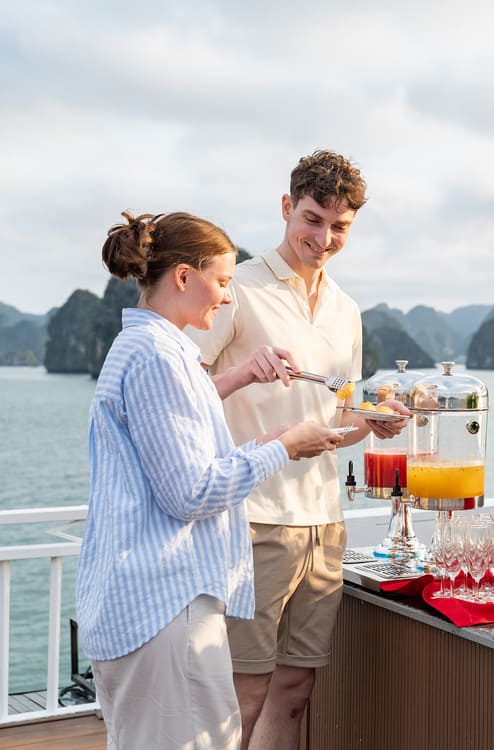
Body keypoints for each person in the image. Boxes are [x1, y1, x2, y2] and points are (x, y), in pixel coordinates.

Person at [76, 211, 348, 749]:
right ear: (184, 277)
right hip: (164, 606)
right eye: (222, 281)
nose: (227, 296)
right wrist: (284, 447)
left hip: (152, 604)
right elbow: (192, 492)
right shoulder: (157, 357)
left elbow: (182, 441)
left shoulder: (151, 349)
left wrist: (257, 412)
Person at [186, 150, 409, 750]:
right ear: (287, 207)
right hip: (250, 518)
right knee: (243, 692)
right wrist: (243, 377)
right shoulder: (237, 289)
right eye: (313, 219)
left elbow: (340, 417)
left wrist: (374, 422)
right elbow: (182, 393)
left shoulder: (346, 310)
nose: (324, 238)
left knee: (295, 689)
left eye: (340, 226)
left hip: (324, 522)